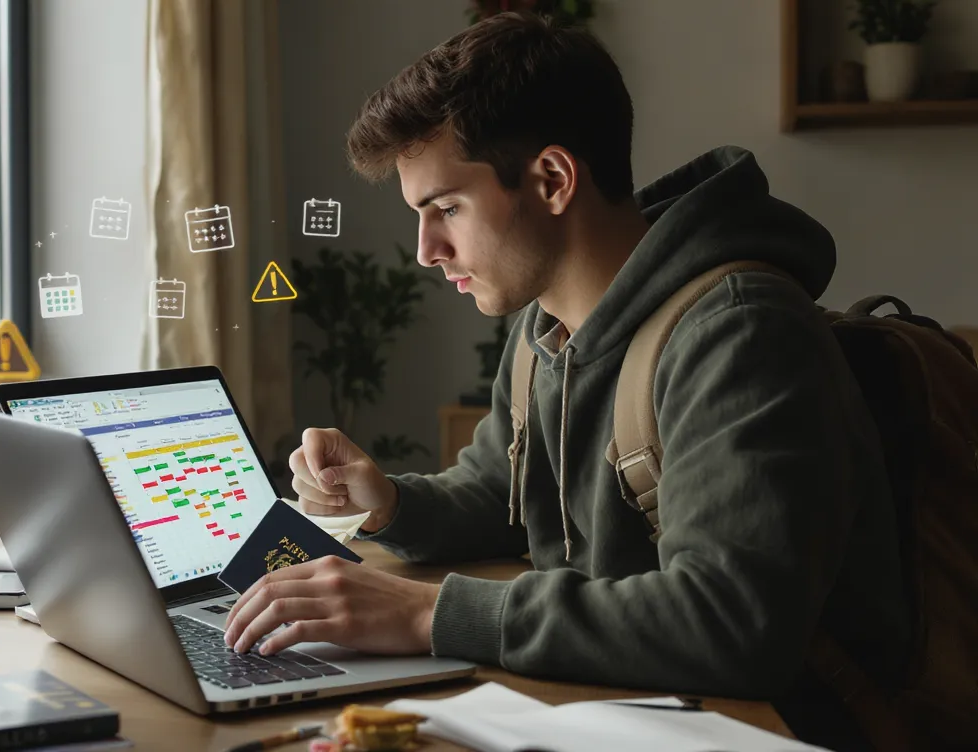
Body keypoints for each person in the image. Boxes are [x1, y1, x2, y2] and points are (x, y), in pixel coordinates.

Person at [223, 11, 907, 750]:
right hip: (622, 706)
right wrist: (390, 503)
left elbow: (733, 622)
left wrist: (424, 613)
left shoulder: (739, 331)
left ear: (552, 180)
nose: (426, 250)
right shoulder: (544, 327)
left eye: (446, 208)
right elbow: (501, 494)